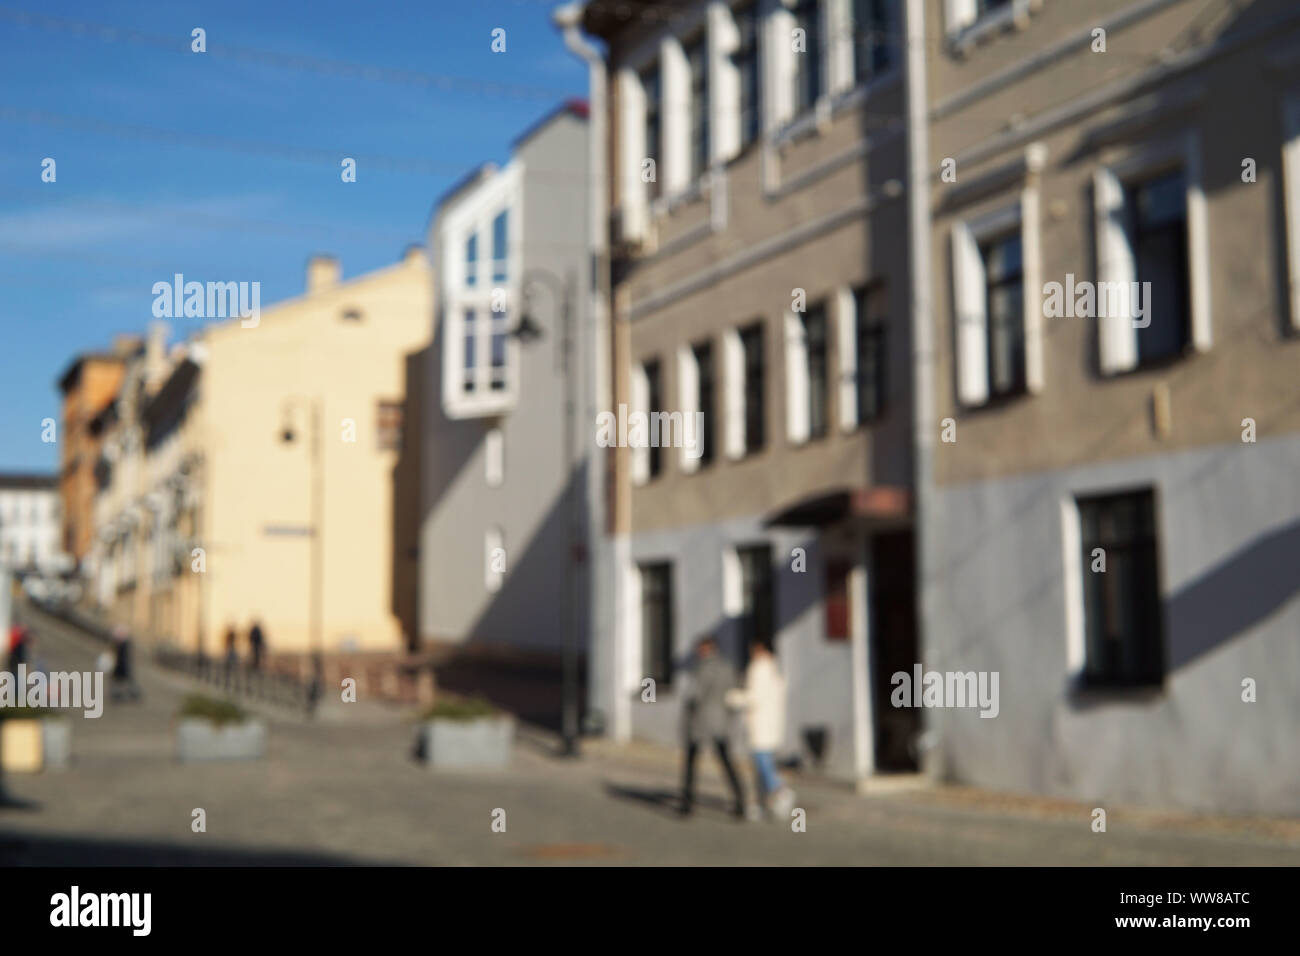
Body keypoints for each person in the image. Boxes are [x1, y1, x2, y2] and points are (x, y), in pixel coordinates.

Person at [727, 640, 796, 820]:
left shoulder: (758, 669)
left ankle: (780, 791)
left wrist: (733, 697)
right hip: (772, 724)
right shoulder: (775, 669)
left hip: (760, 723)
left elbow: (753, 697)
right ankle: (763, 803)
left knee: (763, 763)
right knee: (763, 763)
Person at [679, 634, 746, 819]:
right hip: (720, 721)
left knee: (692, 763)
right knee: (726, 761)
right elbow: (733, 693)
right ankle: (740, 800)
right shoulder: (727, 667)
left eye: (700, 648)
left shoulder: (702, 668)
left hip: (701, 722)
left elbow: (694, 695)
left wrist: (688, 708)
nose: (698, 652)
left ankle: (687, 802)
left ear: (706, 648)